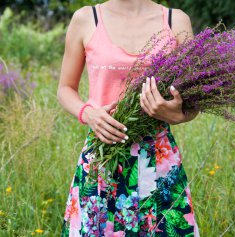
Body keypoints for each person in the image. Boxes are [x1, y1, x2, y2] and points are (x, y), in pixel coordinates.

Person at [57, 0, 200, 236]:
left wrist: (177, 114)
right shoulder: (86, 18)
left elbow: (195, 100)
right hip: (102, 159)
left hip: (159, 161)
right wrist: (88, 113)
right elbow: (65, 88)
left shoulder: (176, 21)